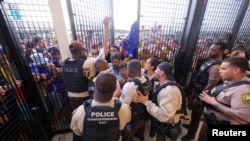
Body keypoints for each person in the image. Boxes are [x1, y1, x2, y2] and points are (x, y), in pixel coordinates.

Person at [182, 41, 226, 141]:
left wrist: (199, 97)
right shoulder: (210, 61)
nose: (210, 51)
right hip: (197, 90)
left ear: (221, 51)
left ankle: (191, 134)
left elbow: (211, 85)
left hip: (202, 94)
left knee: (197, 114)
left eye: (214, 50)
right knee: (194, 113)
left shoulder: (216, 66)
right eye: (210, 49)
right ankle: (192, 126)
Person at [198, 57, 250, 141]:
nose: (219, 71)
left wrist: (213, 102)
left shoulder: (244, 91)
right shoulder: (230, 81)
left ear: (236, 70)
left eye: (223, 69)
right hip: (210, 122)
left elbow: (242, 117)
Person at [70, 73, 131, 141]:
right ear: (115, 89)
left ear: (95, 85)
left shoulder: (80, 111)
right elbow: (123, 126)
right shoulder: (124, 109)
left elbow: (76, 134)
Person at [135, 62, 182, 141]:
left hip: (168, 129)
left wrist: (146, 102)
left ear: (161, 73)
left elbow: (163, 115)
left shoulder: (169, 91)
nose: (155, 71)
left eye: (157, 69)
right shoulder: (164, 85)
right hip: (164, 126)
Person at [119, 59, 150, 141]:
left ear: (131, 70)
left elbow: (123, 105)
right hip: (145, 113)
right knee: (141, 130)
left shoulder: (130, 85)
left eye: (127, 69)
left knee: (128, 133)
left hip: (134, 117)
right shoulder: (146, 78)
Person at [62, 40, 97, 111]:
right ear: (81, 51)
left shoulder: (65, 63)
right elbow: (91, 78)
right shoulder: (85, 63)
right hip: (83, 96)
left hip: (70, 97)